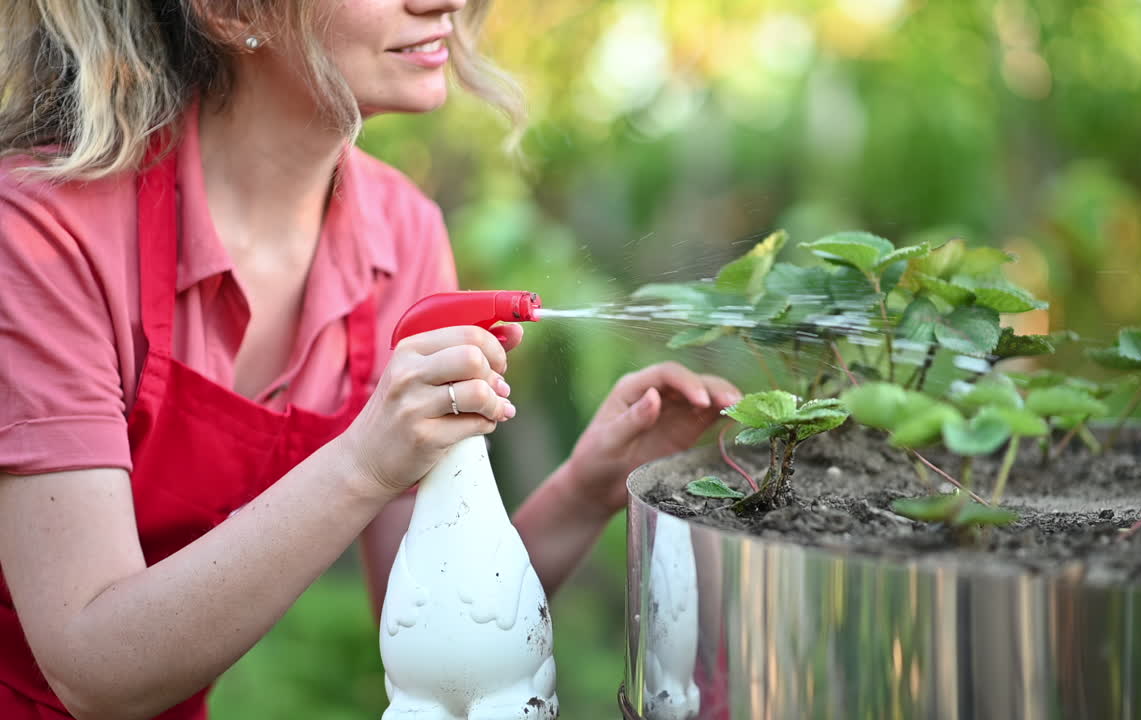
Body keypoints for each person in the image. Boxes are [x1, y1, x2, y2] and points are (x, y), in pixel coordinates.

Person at [0, 1, 742, 718]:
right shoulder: (39, 237)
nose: (445, 2)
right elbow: (93, 674)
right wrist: (367, 460)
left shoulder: (402, 237)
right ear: (234, 11)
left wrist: (586, 491)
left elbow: (425, 619)